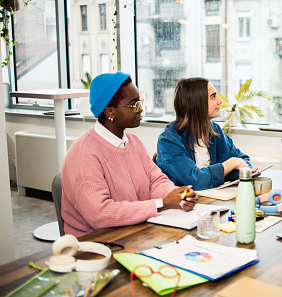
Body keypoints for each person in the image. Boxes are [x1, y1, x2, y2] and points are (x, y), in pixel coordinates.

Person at [61, 72, 197, 237]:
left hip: (134, 231)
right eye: (133, 105)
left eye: (139, 102)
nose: (140, 109)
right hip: (95, 244)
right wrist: (162, 203)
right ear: (110, 112)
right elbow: (100, 214)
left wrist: (178, 195)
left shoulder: (133, 142)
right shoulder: (84, 153)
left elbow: (154, 181)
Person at [156, 77, 257, 191]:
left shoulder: (214, 130)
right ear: (196, 103)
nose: (220, 101)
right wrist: (232, 163)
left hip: (211, 198)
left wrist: (242, 171)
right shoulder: (168, 140)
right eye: (213, 97)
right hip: (184, 204)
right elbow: (196, 180)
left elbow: (241, 158)